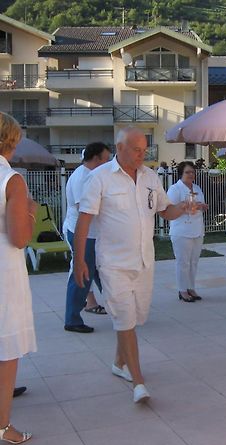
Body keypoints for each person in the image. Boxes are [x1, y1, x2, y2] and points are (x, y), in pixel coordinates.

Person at [73, 127, 185, 403]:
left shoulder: (149, 177)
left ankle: (118, 363)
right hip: (113, 264)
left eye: (144, 150)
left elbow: (164, 209)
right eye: (137, 150)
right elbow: (84, 221)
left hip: (144, 261)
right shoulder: (99, 178)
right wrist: (78, 260)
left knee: (133, 318)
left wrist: (183, 208)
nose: (141, 155)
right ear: (119, 148)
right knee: (124, 319)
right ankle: (138, 382)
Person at [0, 112, 36, 444]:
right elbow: (19, 238)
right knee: (5, 348)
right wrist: (29, 211)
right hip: (3, 273)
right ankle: (2, 426)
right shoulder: (10, 180)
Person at [63, 142, 111, 333]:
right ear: (96, 158)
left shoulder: (91, 175)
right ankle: (72, 319)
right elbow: (86, 210)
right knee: (82, 274)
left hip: (94, 234)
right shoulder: (82, 177)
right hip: (83, 234)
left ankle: (118, 308)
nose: (108, 163)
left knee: (102, 272)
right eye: (106, 159)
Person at [167, 161, 208, 302]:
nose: (191, 174)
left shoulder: (196, 188)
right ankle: (182, 290)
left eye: (192, 172)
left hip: (197, 229)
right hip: (181, 230)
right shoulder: (175, 189)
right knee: (183, 262)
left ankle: (191, 287)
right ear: (181, 173)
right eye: (187, 172)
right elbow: (170, 209)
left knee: (194, 261)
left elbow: (200, 204)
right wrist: (185, 206)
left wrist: (202, 206)